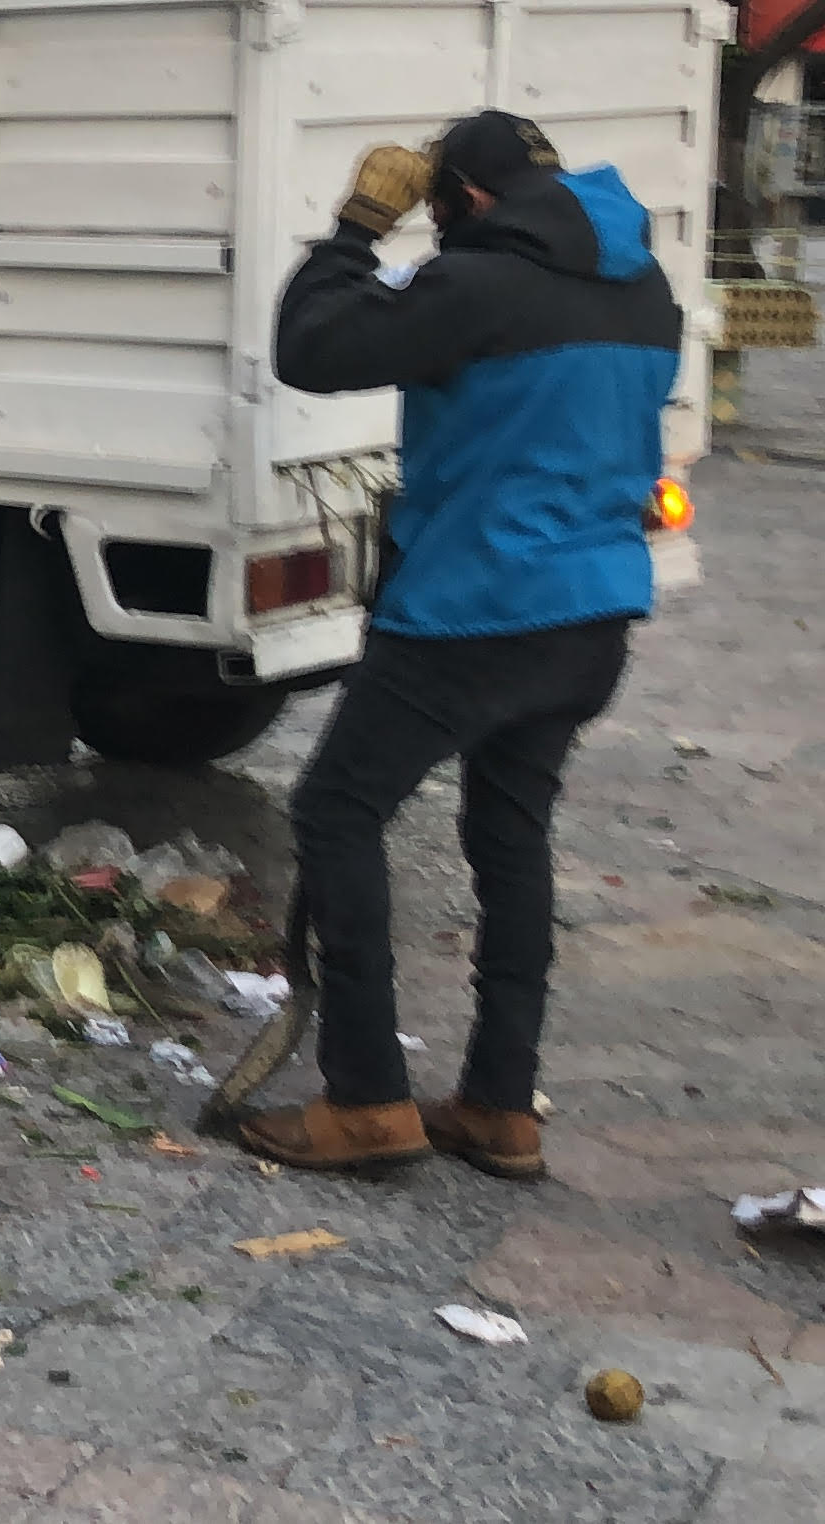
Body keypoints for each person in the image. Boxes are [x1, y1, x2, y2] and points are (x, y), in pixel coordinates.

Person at [244, 113, 681, 1178]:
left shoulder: (476, 287)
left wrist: (354, 229)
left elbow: (309, 348)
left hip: (476, 608)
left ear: (469, 202)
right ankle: (497, 1105)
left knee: (338, 809)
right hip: (593, 613)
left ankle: (365, 1101)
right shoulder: (645, 286)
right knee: (510, 831)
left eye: (439, 212)